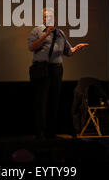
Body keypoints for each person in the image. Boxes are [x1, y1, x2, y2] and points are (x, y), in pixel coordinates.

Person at [28, 8, 89, 140]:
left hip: (56, 69)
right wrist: (45, 35)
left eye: (50, 16)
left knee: (53, 102)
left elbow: (68, 52)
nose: (48, 19)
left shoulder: (60, 33)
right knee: (41, 102)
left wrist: (76, 48)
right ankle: (40, 134)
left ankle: (51, 133)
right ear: (42, 19)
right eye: (45, 17)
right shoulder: (37, 31)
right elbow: (32, 47)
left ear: (54, 18)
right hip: (41, 68)